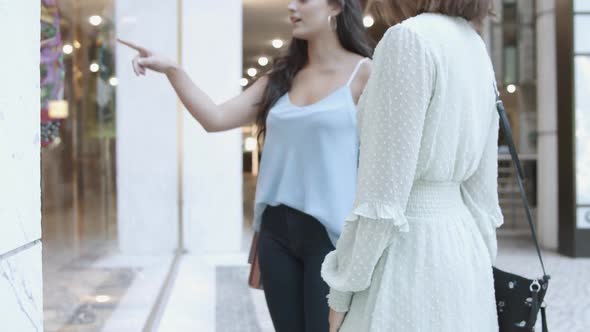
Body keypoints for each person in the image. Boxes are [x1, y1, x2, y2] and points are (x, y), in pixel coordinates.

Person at [118, 0, 372, 331]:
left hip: (331, 238)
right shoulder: (281, 78)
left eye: (303, 0)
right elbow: (215, 118)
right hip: (276, 233)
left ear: (336, 7)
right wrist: (173, 70)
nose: (291, 7)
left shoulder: (365, 73)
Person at [321, 1, 502, 331]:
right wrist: (479, 266)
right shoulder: (475, 46)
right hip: (464, 253)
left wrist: (342, 291)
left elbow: (382, 199)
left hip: (410, 253)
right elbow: (483, 195)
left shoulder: (408, 40)